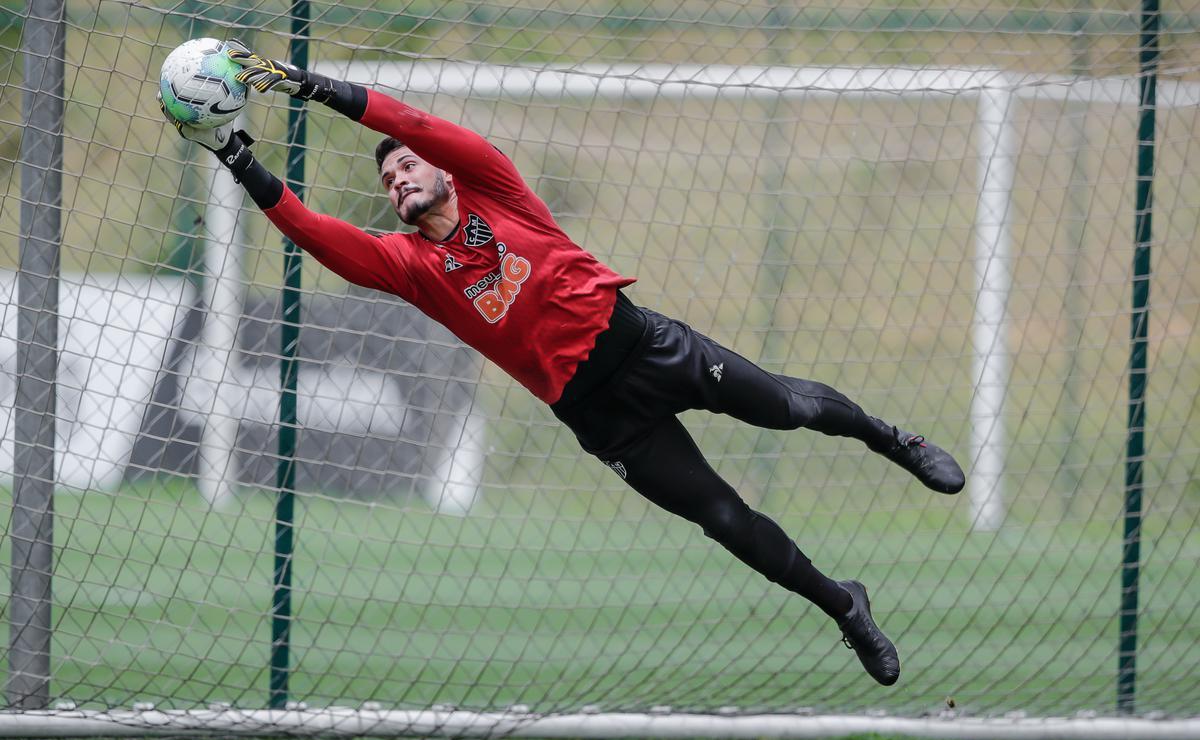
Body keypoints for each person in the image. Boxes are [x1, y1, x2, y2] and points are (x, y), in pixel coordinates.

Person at [159, 40, 965, 687]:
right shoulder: (410, 266)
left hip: (651, 347)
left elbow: (414, 119)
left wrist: (307, 85)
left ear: (439, 170)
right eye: (388, 174)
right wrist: (236, 153)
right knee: (723, 519)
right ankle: (843, 606)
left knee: (789, 408)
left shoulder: (494, 186)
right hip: (599, 416)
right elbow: (316, 234)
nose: (399, 173)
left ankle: (898, 441)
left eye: (406, 162)